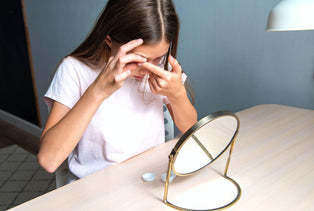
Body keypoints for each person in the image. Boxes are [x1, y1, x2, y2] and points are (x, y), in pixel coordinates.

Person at [38, 0, 197, 183]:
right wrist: (97, 92)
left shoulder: (161, 69)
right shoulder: (74, 70)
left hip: (149, 180)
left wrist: (177, 94)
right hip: (95, 187)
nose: (148, 69)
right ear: (109, 39)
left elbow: (190, 130)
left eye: (158, 58)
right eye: (138, 59)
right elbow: (48, 160)